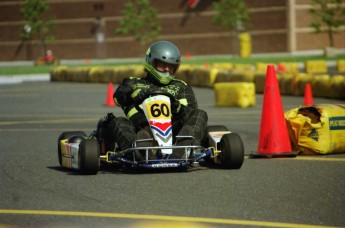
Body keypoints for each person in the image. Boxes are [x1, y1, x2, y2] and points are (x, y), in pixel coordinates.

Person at [111, 40, 208, 158]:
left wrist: (176, 107)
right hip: (140, 129)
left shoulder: (181, 87)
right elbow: (118, 98)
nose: (167, 69)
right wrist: (134, 95)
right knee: (117, 121)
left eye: (171, 66)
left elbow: (191, 112)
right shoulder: (132, 83)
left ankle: (183, 148)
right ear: (150, 62)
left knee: (200, 114)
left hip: (174, 133)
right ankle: (139, 149)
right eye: (162, 65)